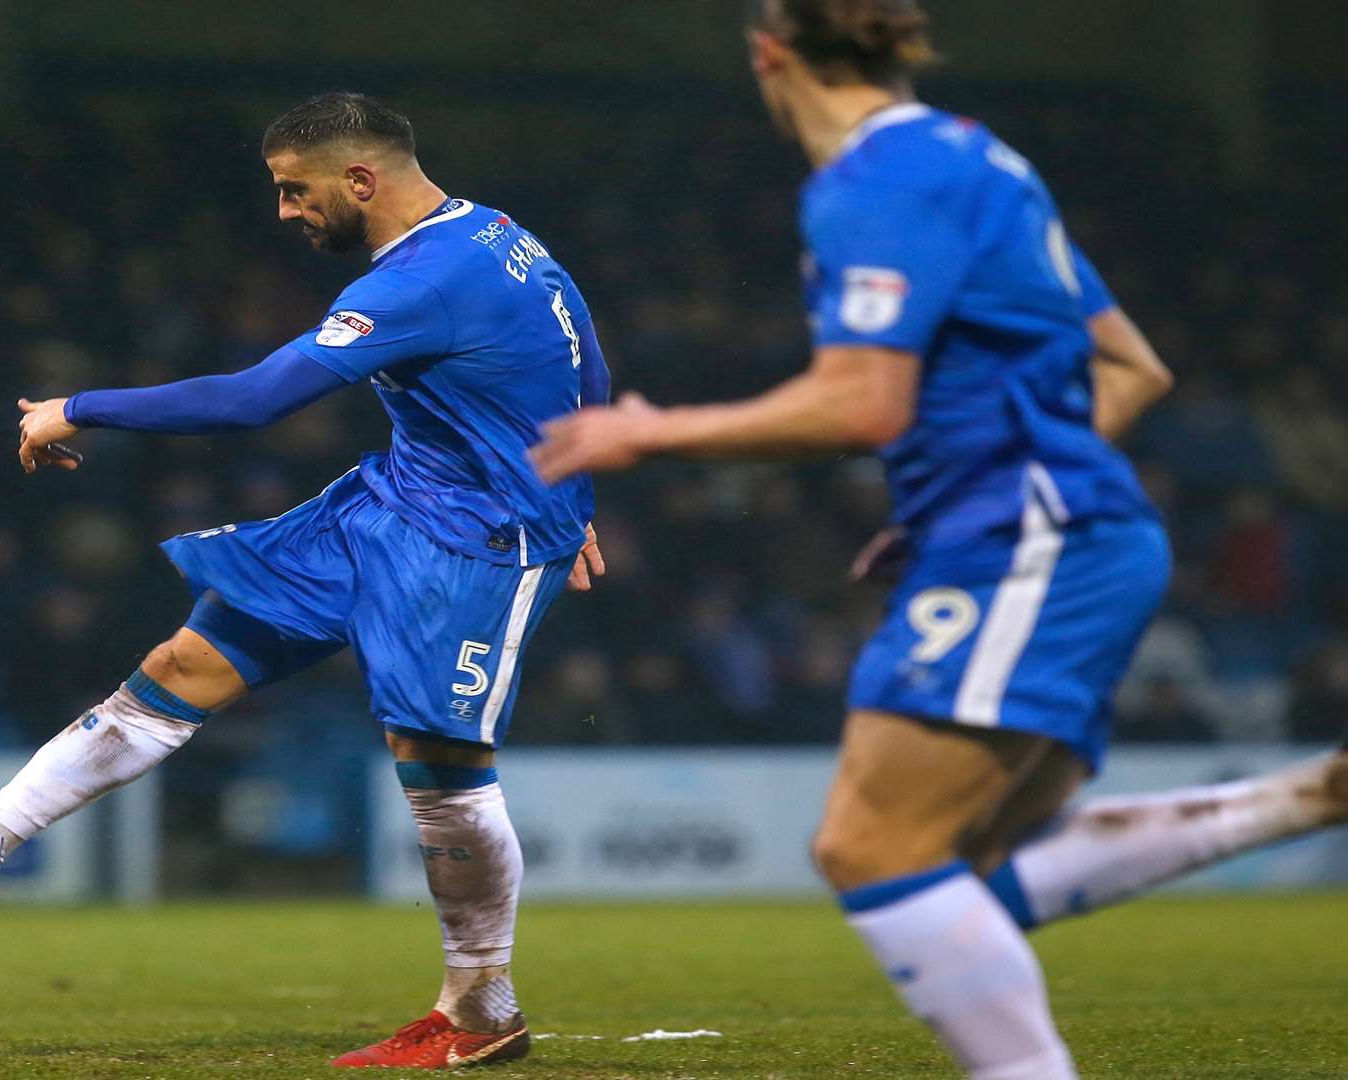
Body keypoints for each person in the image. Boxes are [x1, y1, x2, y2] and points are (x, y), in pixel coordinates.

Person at [530, 3, 1348, 1077]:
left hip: (1027, 538)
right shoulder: (980, 160)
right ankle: (1311, 796)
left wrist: (652, 430)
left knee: (870, 850)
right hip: (1047, 530)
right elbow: (1133, 368)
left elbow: (862, 403)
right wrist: (961, 496)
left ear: (769, 52)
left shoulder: (877, 182)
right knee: (966, 865)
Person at [0, 92, 610, 1070]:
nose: (284, 212)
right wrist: (575, 471)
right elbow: (573, 346)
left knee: (437, 762)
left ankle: (484, 1013)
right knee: (182, 666)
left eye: (293, 191)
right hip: (390, 499)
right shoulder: (492, 236)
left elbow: (251, 402)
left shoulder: (421, 282)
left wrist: (77, 407)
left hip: (480, 537)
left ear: (360, 180)